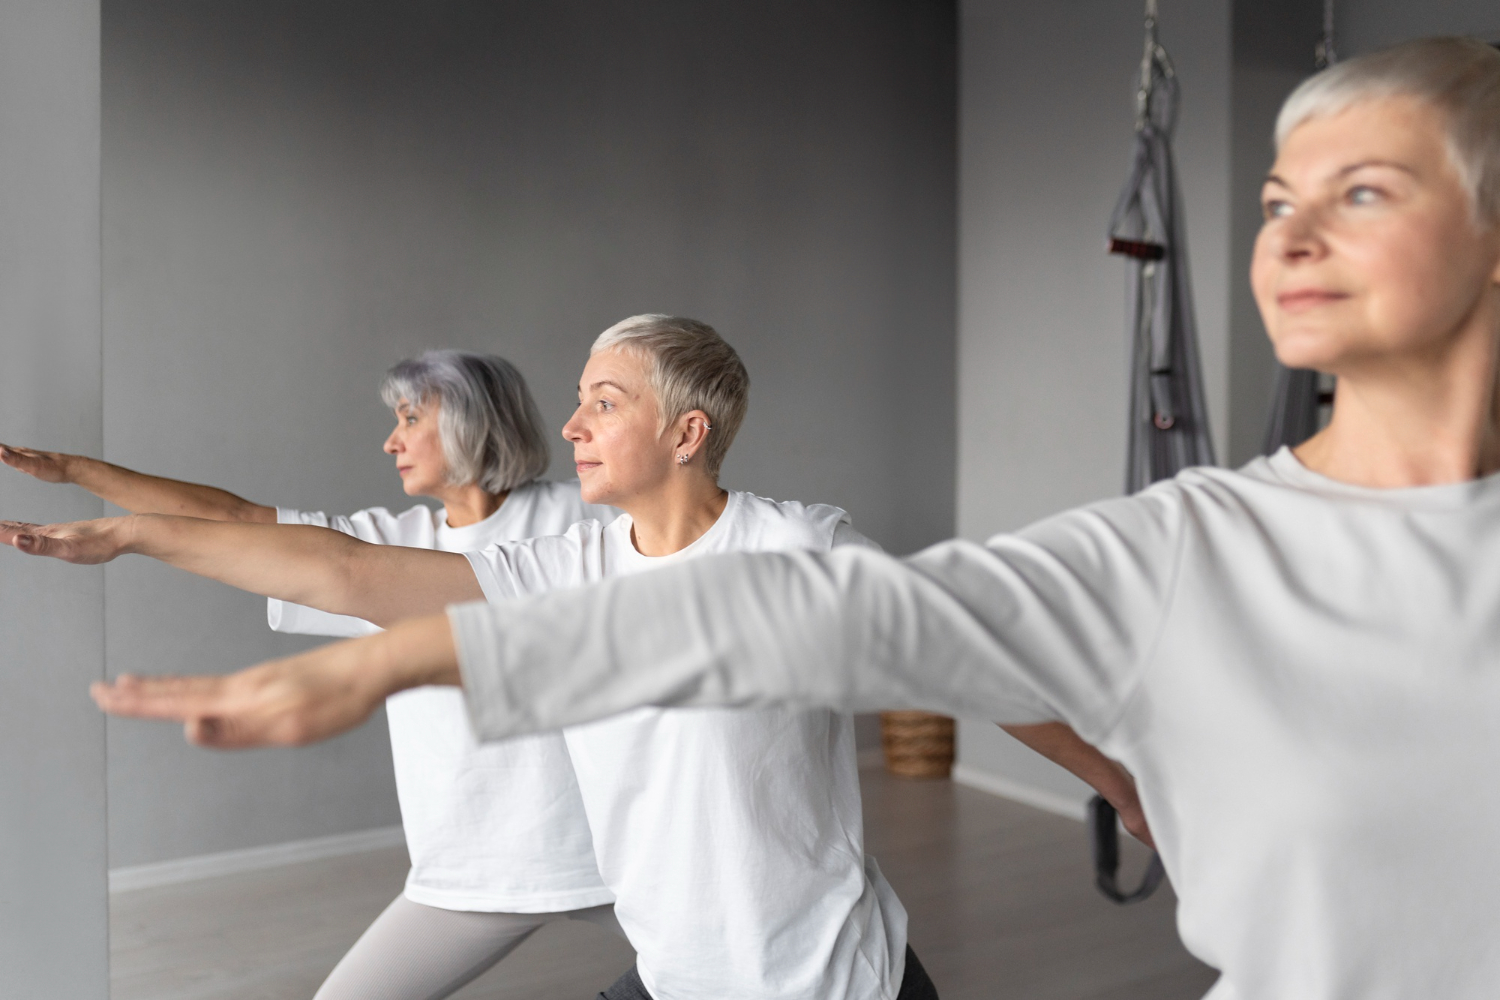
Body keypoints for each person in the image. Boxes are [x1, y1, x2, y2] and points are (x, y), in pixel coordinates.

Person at [60, 36, 1500, 999]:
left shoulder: (794, 541)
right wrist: (145, 528)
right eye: (1268, 199)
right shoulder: (559, 552)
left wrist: (1112, 775)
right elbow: (335, 560)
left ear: (686, 430)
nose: (1289, 236)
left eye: (1360, 192)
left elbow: (910, 638)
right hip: (672, 966)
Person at [2, 351, 625, 1000]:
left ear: (475, 422)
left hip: (614, 849)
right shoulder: (388, 546)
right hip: (478, 861)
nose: (392, 440)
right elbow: (240, 523)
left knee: (729, 973)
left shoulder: (588, 520)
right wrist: (78, 473)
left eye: (411, 417)